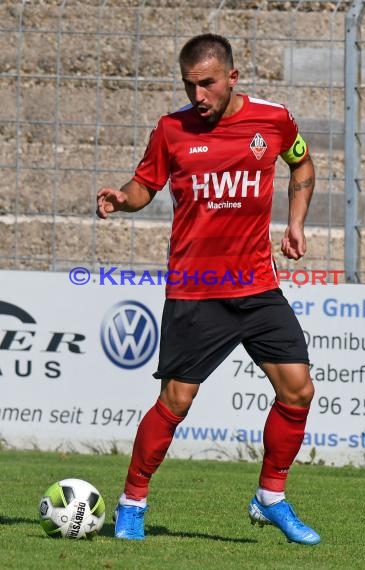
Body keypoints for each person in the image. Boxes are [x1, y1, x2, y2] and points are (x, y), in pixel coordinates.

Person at [96, 33, 320, 546]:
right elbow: (143, 186)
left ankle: (270, 497)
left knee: (298, 389)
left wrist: (297, 223)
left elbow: (302, 163)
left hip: (258, 286)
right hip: (195, 289)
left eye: (207, 84)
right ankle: (132, 503)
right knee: (176, 400)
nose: (198, 95)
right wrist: (121, 199)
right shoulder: (171, 130)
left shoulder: (273, 119)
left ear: (232, 78)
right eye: (189, 85)